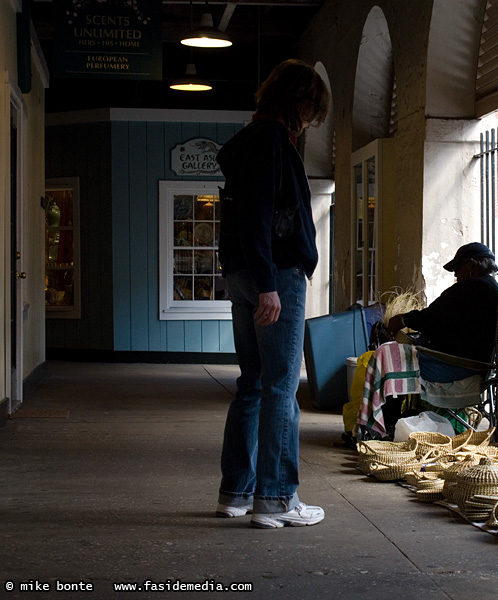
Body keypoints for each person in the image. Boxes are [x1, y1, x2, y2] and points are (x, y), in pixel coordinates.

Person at [214, 59, 329, 529]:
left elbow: (244, 215)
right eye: (309, 111)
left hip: (246, 272)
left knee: (253, 383)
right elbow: (260, 215)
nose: (308, 122)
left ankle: (236, 493)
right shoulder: (271, 142)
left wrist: (251, 276)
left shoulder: (247, 141)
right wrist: (269, 284)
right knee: (281, 387)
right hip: (272, 275)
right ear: (298, 101)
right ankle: (277, 499)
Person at [388, 242, 498, 386]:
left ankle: (384, 409)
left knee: (387, 361)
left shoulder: (472, 288)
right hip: (469, 364)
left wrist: (402, 320)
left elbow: (432, 318)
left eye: (457, 268)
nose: (455, 274)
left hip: (456, 366)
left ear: (471, 266)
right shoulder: (490, 288)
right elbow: (446, 320)